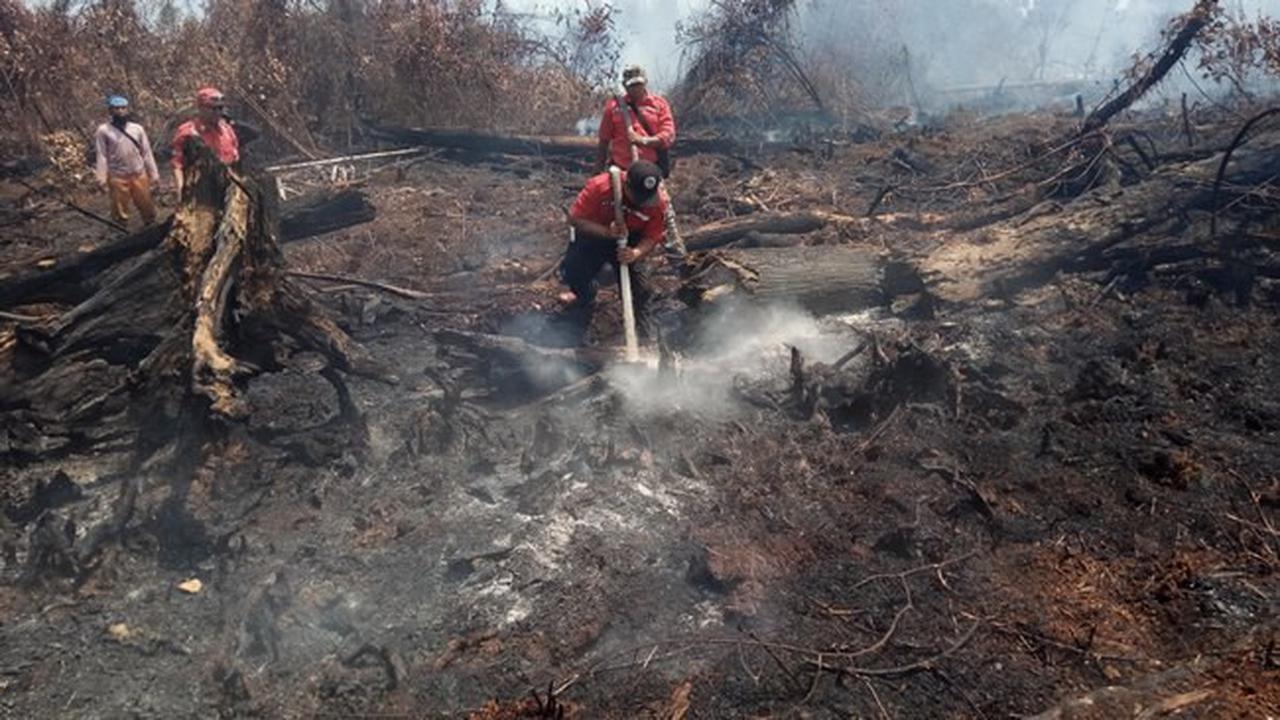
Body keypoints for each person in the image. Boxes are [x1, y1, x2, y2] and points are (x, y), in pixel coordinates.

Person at [560, 160, 667, 333]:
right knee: (573, 272)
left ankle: (643, 329)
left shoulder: (658, 203)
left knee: (640, 289)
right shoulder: (599, 187)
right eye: (638, 198)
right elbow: (575, 219)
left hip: (631, 240)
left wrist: (636, 252)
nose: (642, 204)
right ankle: (584, 296)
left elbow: (652, 236)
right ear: (626, 186)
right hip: (594, 234)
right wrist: (606, 232)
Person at [597, 65, 685, 258]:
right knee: (612, 211)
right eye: (631, 86)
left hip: (649, 172)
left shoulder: (659, 104)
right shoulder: (614, 107)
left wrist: (643, 140)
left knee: (663, 209)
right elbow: (604, 141)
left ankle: (675, 252)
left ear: (645, 83)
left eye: (638, 84)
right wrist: (598, 172)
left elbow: (668, 135)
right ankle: (608, 254)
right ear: (624, 86)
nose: (635, 89)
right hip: (621, 171)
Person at [93, 94, 160, 226]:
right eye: (116, 108)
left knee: (146, 203)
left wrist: (154, 173)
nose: (120, 111)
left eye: (123, 108)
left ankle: (151, 225)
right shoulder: (103, 131)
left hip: (138, 173)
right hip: (117, 175)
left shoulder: (137, 129)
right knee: (119, 208)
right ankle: (122, 229)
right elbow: (102, 155)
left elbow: (146, 152)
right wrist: (100, 176)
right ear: (110, 111)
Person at [170, 87, 241, 197]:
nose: (217, 112)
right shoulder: (188, 132)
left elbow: (235, 160)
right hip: (200, 191)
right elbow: (177, 164)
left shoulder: (227, 130)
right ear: (201, 108)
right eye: (213, 109)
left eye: (220, 108)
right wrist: (181, 190)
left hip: (227, 188)